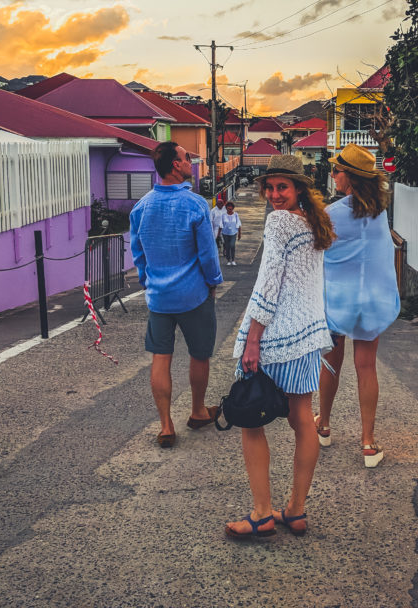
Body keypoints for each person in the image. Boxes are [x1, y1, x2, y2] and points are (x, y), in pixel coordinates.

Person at [224, 155, 335, 539]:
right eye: (269, 188)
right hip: (308, 337)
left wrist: (252, 339)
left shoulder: (280, 222)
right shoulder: (314, 223)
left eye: (282, 187)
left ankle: (261, 514)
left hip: (274, 336)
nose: (274, 195)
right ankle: (296, 510)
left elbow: (268, 283)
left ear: (299, 188)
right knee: (303, 420)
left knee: (250, 418)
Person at [130, 142, 224, 449]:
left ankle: (166, 425)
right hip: (193, 294)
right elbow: (207, 254)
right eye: (186, 158)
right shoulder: (195, 204)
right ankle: (197, 410)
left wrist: (148, 280)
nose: (190, 162)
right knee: (199, 354)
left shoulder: (140, 207)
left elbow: (138, 253)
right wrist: (213, 281)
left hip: (159, 297)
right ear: (174, 166)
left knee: (161, 357)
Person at [315, 143, 400, 468]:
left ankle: (323, 424)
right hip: (371, 304)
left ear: (348, 177)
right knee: (366, 367)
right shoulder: (379, 213)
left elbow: (316, 249)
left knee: (331, 364)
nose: (333, 174)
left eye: (336, 170)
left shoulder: (332, 215)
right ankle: (367, 442)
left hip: (337, 304)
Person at [218, 201, 242, 266]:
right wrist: (218, 234)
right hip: (225, 233)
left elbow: (239, 224)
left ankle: (233, 260)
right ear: (226, 208)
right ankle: (228, 260)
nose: (230, 209)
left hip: (233, 233)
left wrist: (239, 234)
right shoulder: (223, 215)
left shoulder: (236, 215)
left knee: (232, 245)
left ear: (233, 208)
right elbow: (220, 225)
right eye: (228, 208)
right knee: (227, 246)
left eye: (231, 208)